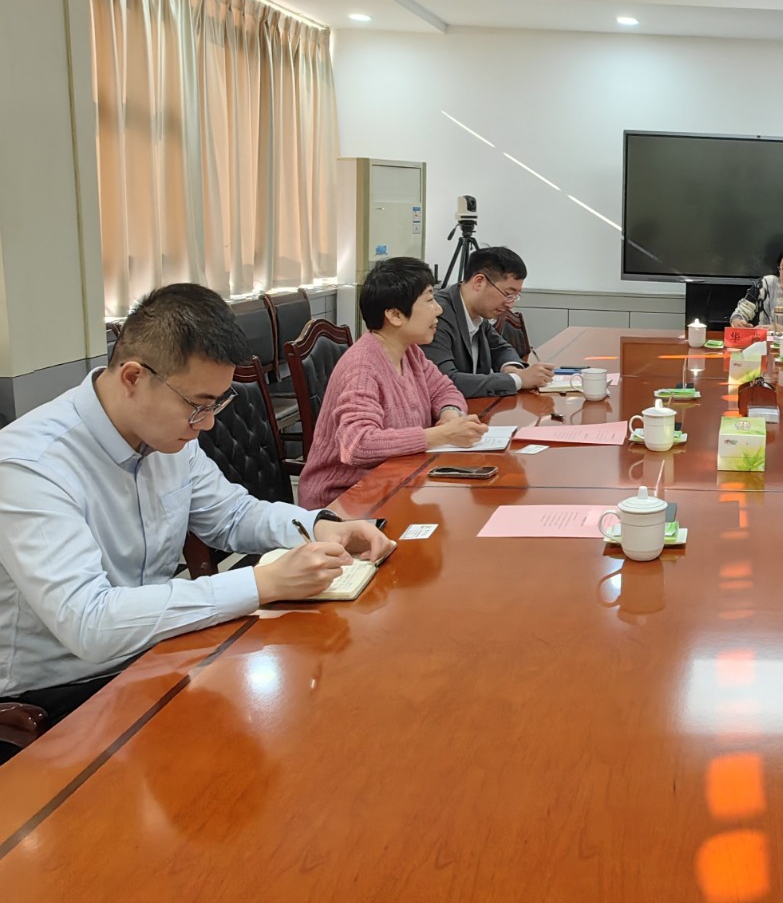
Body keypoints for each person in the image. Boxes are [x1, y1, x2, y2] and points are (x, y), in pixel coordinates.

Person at [0, 284, 393, 739]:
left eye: (216, 405)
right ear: (133, 378)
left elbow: (232, 515)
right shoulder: (31, 466)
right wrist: (263, 583)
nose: (206, 424)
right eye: (197, 406)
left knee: (319, 700)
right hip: (64, 692)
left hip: (157, 650)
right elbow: (90, 622)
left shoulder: (166, 436)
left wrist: (321, 525)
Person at [299, 257, 488, 509]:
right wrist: (440, 435)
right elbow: (358, 445)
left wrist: (449, 415)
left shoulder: (409, 351)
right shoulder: (363, 367)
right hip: (345, 502)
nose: (439, 310)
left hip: (396, 484)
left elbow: (445, 389)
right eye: (429, 300)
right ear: (395, 315)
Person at [424, 246, 555, 398]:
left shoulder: (477, 311)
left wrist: (511, 368)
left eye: (515, 296)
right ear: (479, 282)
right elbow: (445, 382)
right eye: (508, 294)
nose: (510, 304)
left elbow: (501, 348)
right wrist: (518, 380)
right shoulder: (438, 315)